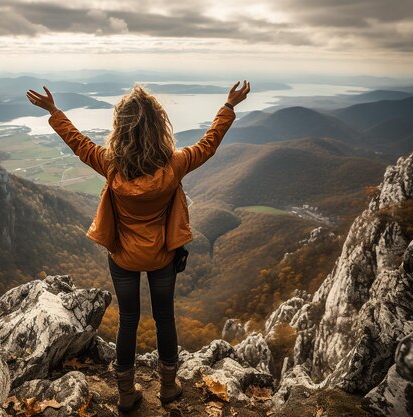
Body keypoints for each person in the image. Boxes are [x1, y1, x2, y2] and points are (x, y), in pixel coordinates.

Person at [26, 80, 250, 412]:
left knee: (129, 319)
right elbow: (209, 143)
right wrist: (228, 107)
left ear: (121, 129)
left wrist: (54, 112)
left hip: (123, 258)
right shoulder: (175, 164)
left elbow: (77, 142)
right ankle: (169, 388)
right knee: (165, 318)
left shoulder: (110, 164)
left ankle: (126, 393)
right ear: (160, 127)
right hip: (162, 256)